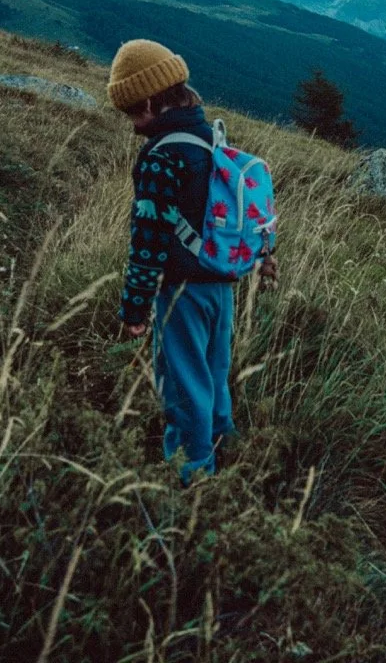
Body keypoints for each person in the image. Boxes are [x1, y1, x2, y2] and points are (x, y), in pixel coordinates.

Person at [108, 38, 277, 483]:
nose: (131, 124)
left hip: (181, 291)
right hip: (220, 285)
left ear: (149, 100)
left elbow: (148, 242)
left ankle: (192, 478)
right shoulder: (208, 139)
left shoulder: (161, 157)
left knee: (183, 386)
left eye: (133, 112)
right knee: (215, 372)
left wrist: (135, 308)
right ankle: (228, 446)